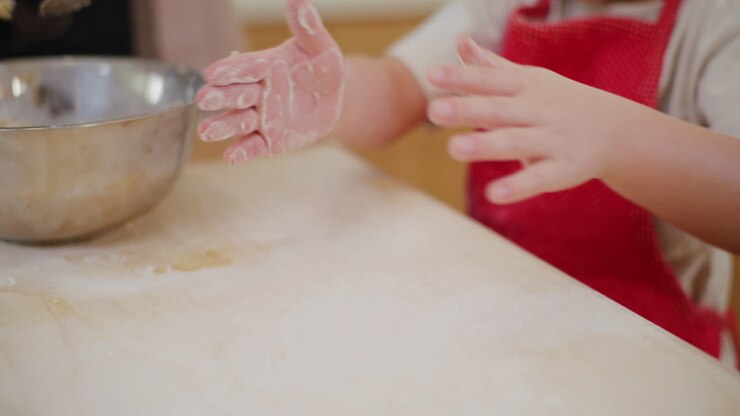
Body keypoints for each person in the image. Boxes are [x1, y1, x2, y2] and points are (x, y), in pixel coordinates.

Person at [196, 0, 740, 367]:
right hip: (509, 326)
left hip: (659, 357)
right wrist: (339, 97)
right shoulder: (508, 7)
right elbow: (402, 87)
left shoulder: (717, 20)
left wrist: (617, 137)